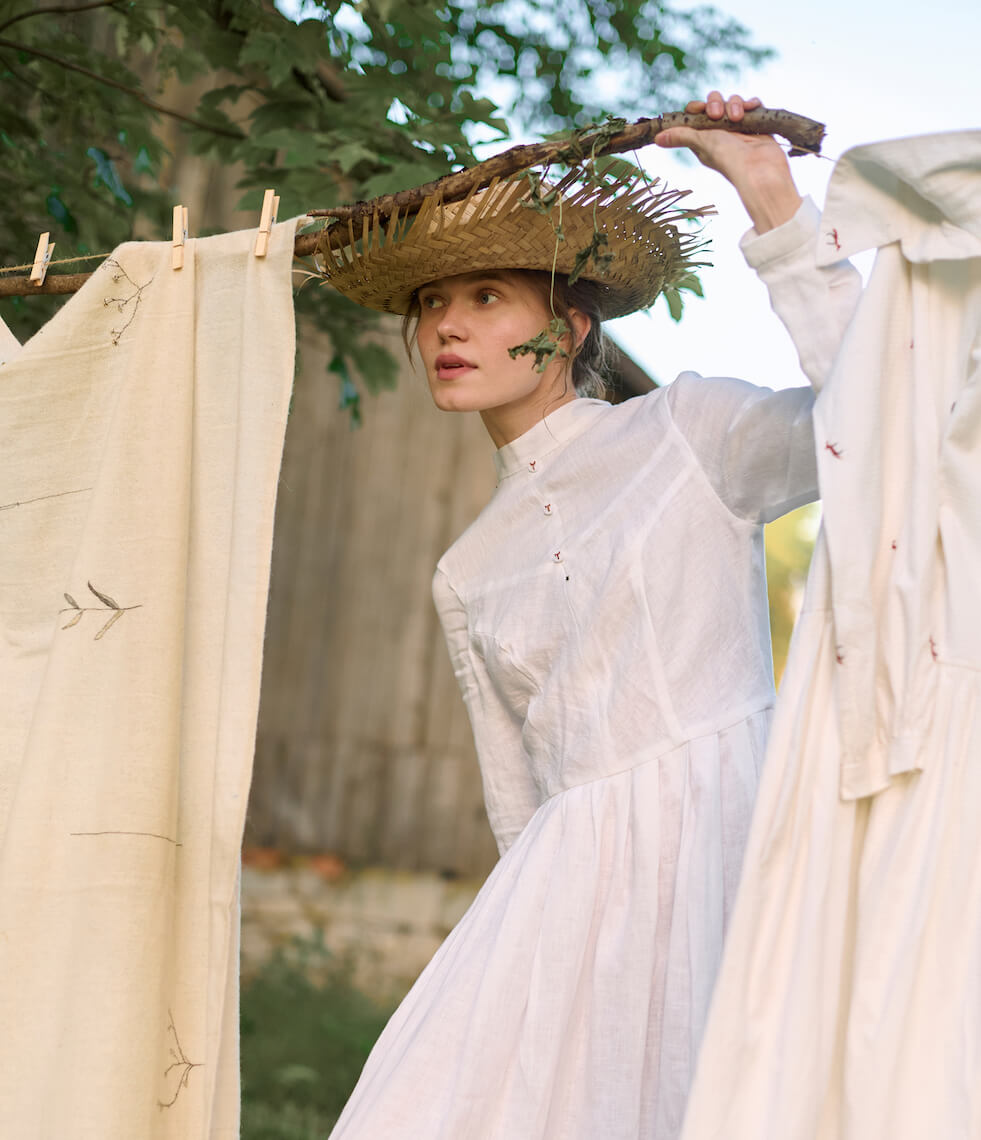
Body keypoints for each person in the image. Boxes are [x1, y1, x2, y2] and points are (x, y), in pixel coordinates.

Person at [320, 92, 861, 1139]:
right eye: (431, 303)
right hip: (568, 910)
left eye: (485, 295)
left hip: (736, 853)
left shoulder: (690, 432)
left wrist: (769, 199)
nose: (446, 326)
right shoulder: (466, 570)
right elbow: (521, 811)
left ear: (566, 329)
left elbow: (870, 412)